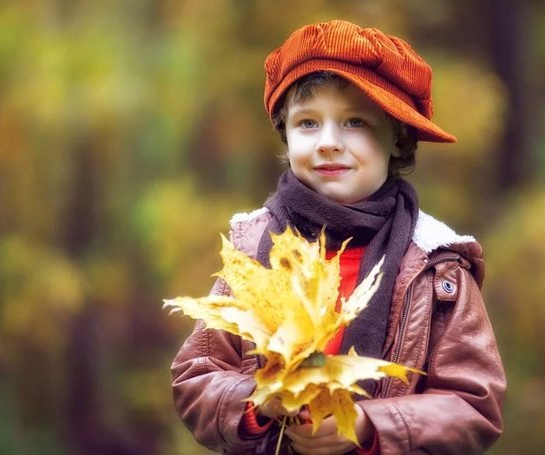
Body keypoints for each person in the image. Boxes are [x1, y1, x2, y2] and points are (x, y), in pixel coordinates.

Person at [170, 19, 506, 454]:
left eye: (355, 123)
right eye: (308, 123)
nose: (328, 142)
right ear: (285, 135)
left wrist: (367, 424)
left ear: (397, 138)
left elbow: (474, 406)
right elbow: (196, 375)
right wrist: (257, 402)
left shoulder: (435, 265)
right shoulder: (253, 250)